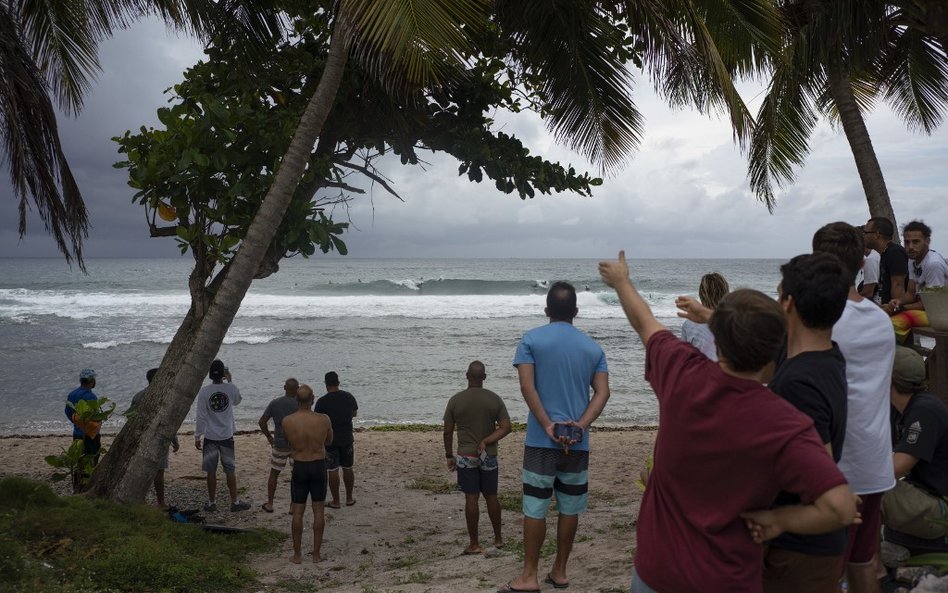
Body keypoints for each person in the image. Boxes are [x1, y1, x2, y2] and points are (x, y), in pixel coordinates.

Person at [601, 251, 857, 593]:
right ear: (774, 350)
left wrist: (621, 281)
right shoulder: (784, 423)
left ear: (717, 340)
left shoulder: (680, 372)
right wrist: (778, 520)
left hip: (656, 573)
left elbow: (645, 321)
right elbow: (840, 508)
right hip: (728, 579)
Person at [499, 281, 610, 593]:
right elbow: (602, 393)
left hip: (540, 441)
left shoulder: (531, 340)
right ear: (575, 311)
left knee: (535, 506)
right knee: (569, 506)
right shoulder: (593, 348)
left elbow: (526, 387)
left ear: (546, 310)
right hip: (577, 442)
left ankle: (530, 575)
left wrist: (547, 424)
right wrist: (581, 425)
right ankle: (559, 571)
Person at [813, 222, 896, 593]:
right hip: (873, 462)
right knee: (863, 560)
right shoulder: (881, 321)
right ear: (861, 263)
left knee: (822, 571)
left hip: (831, 466)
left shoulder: (817, 323)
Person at [762, 253, 850, 593]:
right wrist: (710, 316)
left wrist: (775, 519)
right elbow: (771, 349)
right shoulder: (827, 355)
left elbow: (820, 477)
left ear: (788, 303)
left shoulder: (798, 383)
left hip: (799, 549)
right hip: (809, 546)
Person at [443, 361, 512, 555]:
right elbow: (506, 427)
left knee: (471, 498)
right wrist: (487, 440)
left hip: (466, 455)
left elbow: (447, 432)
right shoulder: (494, 399)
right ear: (484, 377)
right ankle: (498, 538)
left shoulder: (455, 400)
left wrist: (449, 455)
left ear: (466, 376)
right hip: (488, 454)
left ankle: (474, 543)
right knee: (491, 496)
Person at [882, 347, 948, 543]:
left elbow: (896, 467)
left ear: (889, 380)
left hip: (940, 508)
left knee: (870, 490)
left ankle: (868, 563)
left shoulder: (925, 411)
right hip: (923, 496)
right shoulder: (900, 407)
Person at [282, 384, 334, 564]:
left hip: (300, 466)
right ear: (313, 399)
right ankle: (316, 554)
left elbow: (288, 442)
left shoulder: (288, 421)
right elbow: (329, 440)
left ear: (297, 400)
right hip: (318, 465)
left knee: (298, 512)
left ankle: (297, 555)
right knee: (318, 510)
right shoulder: (324, 419)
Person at [194, 360, 250, 512]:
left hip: (210, 436)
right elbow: (237, 401)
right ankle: (235, 502)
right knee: (229, 470)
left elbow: (200, 416)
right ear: (224, 373)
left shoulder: (204, 392)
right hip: (226, 435)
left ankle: (212, 502)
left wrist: (198, 435)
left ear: (210, 374)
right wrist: (231, 380)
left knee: (211, 471)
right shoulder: (230, 388)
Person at [888, 220, 948, 342]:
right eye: (907, 242)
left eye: (916, 242)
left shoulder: (933, 264)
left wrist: (902, 308)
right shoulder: (913, 260)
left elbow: (933, 305)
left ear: (927, 241)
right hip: (932, 310)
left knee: (891, 325)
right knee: (885, 318)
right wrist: (897, 302)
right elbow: (910, 293)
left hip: (942, 313)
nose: (910, 247)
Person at [129, 368, 180, 508]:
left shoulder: (138, 396)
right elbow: (169, 421)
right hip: (160, 438)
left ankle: (140, 499)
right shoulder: (166, 397)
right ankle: (161, 502)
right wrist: (174, 439)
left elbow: (130, 419)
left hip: (141, 437)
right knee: (159, 471)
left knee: (140, 469)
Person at [314, 371, 359, 508]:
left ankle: (336, 501)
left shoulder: (322, 401)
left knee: (332, 470)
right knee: (348, 467)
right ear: (338, 382)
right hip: (346, 438)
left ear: (326, 384)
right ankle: (349, 498)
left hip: (330, 440)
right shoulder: (348, 397)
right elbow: (354, 413)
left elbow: (318, 420)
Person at [258, 378, 300, 513]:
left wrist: (270, 437)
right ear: (297, 389)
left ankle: (270, 503)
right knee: (296, 475)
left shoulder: (275, 403)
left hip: (280, 443)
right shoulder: (301, 404)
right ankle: (293, 505)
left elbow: (262, 422)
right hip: (296, 445)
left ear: (284, 388)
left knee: (274, 474)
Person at [65, 368, 103, 491]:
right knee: (91, 460)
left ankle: (78, 486)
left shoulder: (72, 394)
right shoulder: (90, 396)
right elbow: (95, 416)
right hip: (90, 435)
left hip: (77, 433)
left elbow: (68, 412)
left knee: (79, 460)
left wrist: (77, 423)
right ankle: (87, 487)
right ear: (91, 381)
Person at [680, 272, 729, 360]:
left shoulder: (689, 324)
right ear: (726, 293)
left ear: (701, 294)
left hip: (700, 371)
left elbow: (684, 359)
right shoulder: (736, 322)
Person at [864, 217, 908, 307]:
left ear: (877, 235)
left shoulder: (895, 253)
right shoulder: (880, 254)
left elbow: (898, 286)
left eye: (866, 233)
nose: (863, 236)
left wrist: (892, 308)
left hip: (891, 309)